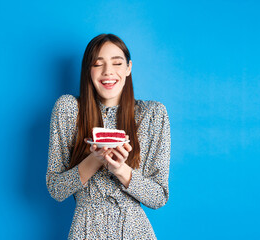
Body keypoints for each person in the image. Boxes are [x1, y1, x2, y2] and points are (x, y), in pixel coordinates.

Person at [46, 33, 170, 239]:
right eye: (98, 64)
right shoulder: (68, 110)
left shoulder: (153, 114)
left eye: (117, 63)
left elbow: (158, 197)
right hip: (85, 229)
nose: (108, 72)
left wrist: (120, 169)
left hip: (135, 231)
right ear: (88, 70)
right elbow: (56, 190)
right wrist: (94, 160)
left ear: (128, 68)